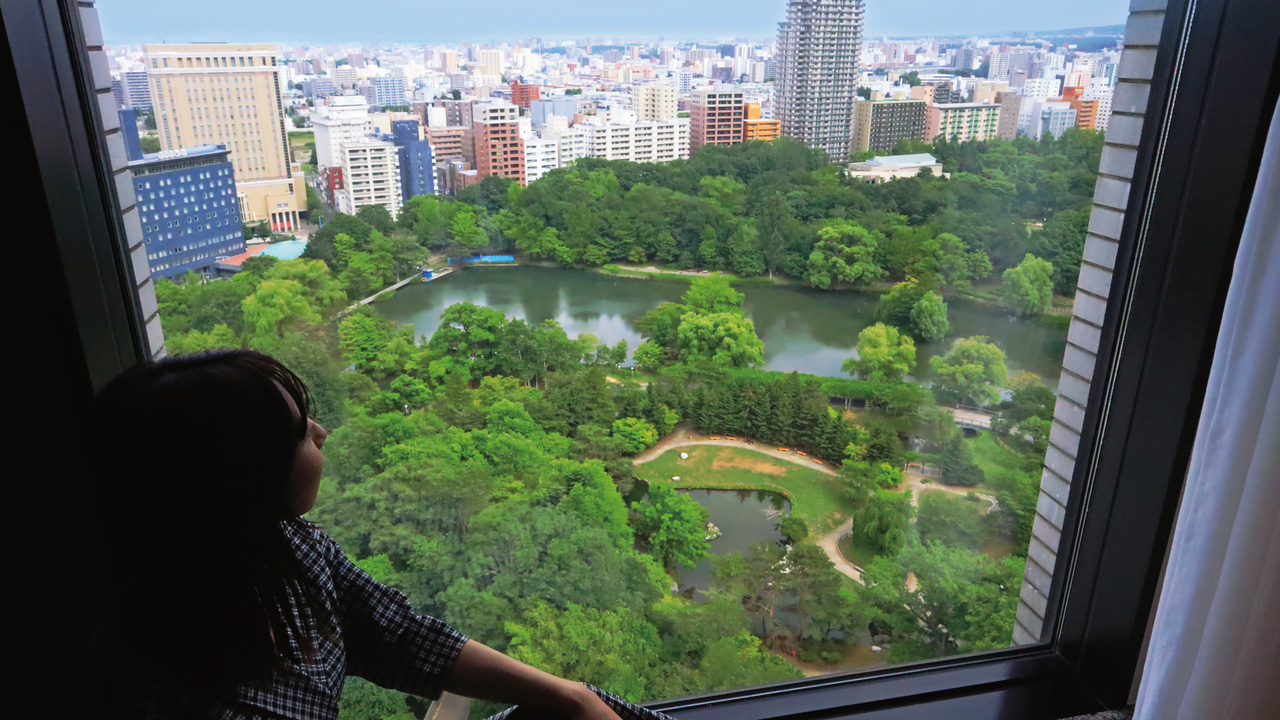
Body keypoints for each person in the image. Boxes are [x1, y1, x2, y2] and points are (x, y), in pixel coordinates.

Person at [81, 350, 671, 720]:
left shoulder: (289, 553)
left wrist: (570, 696)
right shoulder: (151, 684)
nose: (321, 431)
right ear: (234, 475)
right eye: (296, 430)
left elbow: (402, 639)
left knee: (572, 705)